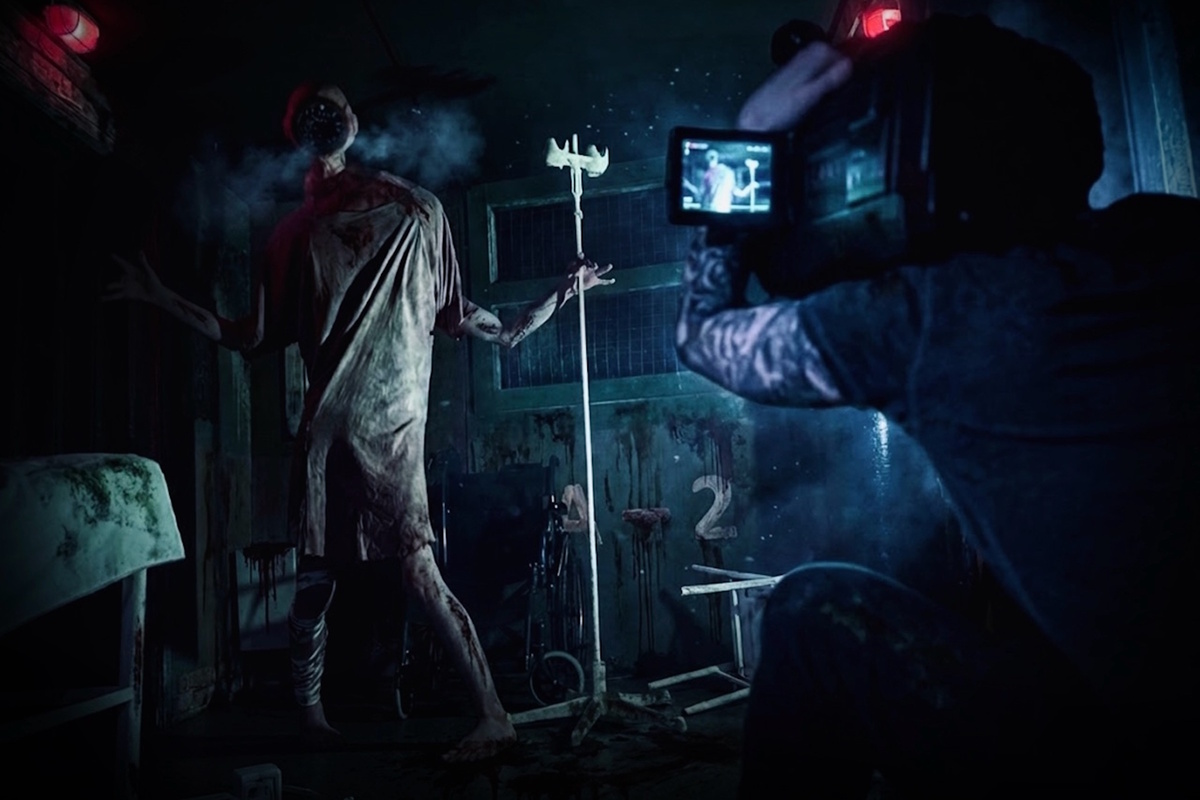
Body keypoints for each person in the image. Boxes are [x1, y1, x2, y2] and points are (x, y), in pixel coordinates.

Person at [675, 14, 1198, 799]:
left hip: (1132, 757)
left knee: (811, 612)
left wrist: (747, 139)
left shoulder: (929, 317)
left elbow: (700, 333)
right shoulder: (1172, 230)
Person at [104, 82, 615, 762]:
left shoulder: (301, 232)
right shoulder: (413, 210)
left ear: (297, 135)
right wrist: (564, 290)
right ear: (349, 125)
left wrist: (160, 295)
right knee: (390, 575)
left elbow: (246, 336)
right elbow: (500, 331)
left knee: (325, 580)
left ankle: (339, 717)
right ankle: (473, 716)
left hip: (338, 434)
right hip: (378, 433)